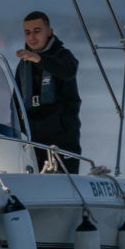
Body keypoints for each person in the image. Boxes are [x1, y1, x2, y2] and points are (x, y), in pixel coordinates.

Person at [14, 11, 82, 174]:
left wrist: (38, 58)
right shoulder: (23, 65)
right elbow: (15, 102)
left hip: (62, 140)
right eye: (27, 32)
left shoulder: (64, 56)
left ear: (49, 32)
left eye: (37, 31)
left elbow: (68, 72)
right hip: (33, 141)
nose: (32, 37)